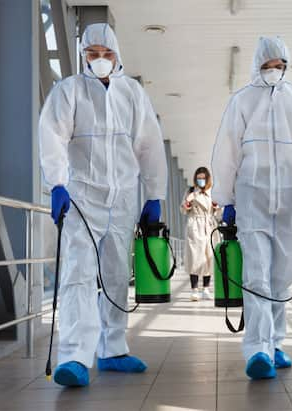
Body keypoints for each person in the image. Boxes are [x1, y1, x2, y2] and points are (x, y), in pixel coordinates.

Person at [39, 23, 167, 387]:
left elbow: (150, 145)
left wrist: (154, 193)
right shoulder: (69, 91)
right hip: (82, 196)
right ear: (83, 56)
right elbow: (52, 136)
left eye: (106, 54)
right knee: (78, 273)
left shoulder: (132, 94)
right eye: (92, 54)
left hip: (124, 196)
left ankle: (112, 349)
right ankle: (75, 357)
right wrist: (57, 184)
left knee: (114, 274)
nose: (99, 60)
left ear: (117, 55)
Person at [211, 36, 292, 380]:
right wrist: (226, 197)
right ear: (257, 65)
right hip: (252, 198)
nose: (274, 71)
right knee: (258, 274)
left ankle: (275, 342)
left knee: (280, 275)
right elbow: (227, 150)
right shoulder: (242, 101)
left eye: (280, 66)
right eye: (268, 65)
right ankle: (258, 349)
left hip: (288, 198)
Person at [181, 167, 220, 301]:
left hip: (208, 226)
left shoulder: (212, 193)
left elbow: (219, 212)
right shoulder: (190, 191)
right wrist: (187, 205)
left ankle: (206, 288)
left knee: (208, 257)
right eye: (199, 178)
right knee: (194, 257)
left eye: (203, 178)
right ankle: (194, 289)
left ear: (208, 179)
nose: (201, 180)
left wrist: (216, 207)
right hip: (195, 226)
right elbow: (183, 209)